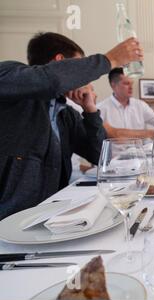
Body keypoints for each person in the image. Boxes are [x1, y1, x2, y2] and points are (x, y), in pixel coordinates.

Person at [0, 32, 143, 219]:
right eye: (78, 65)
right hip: (7, 225)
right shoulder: (8, 75)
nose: (83, 79)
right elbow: (51, 80)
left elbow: (99, 155)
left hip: (49, 221)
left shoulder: (65, 114)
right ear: (60, 62)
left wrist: (90, 110)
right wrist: (111, 59)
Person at [97, 68, 154, 140]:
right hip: (115, 151)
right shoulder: (100, 109)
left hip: (140, 150)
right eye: (126, 83)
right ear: (113, 85)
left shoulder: (140, 105)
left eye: (132, 83)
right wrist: (150, 133)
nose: (131, 87)